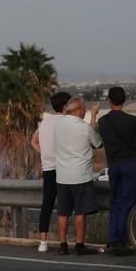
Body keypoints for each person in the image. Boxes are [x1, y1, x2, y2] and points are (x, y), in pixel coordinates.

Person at [98, 86, 136, 256]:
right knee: (128, 203)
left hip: (113, 166)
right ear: (124, 100)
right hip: (130, 164)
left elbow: (101, 141)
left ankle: (112, 240)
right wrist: (134, 144)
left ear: (109, 101)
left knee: (115, 203)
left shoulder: (103, 121)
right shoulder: (131, 121)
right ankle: (121, 241)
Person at [54, 97, 102, 255]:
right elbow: (97, 143)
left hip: (61, 175)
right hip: (80, 175)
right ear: (76, 111)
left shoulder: (58, 125)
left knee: (63, 212)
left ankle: (62, 245)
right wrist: (94, 117)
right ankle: (80, 245)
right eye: (83, 109)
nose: (85, 111)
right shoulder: (83, 127)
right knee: (80, 212)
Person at [31, 91, 72, 253]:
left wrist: (45, 153)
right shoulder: (67, 122)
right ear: (65, 106)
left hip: (48, 169)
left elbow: (33, 141)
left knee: (47, 204)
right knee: (64, 206)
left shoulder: (45, 123)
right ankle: (63, 241)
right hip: (64, 168)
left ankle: (43, 242)